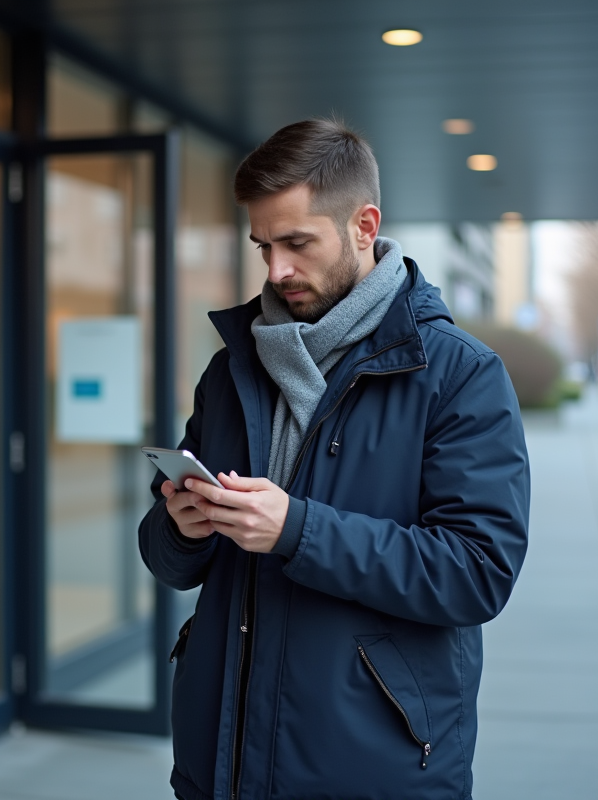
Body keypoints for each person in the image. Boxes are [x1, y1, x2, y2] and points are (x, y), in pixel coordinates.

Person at [138, 118, 530, 800]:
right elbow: (167, 559)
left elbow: (476, 573)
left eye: (296, 242)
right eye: (263, 245)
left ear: (363, 225)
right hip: (221, 761)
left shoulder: (460, 375)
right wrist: (181, 528)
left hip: (369, 769)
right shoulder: (230, 372)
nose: (276, 270)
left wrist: (297, 529)